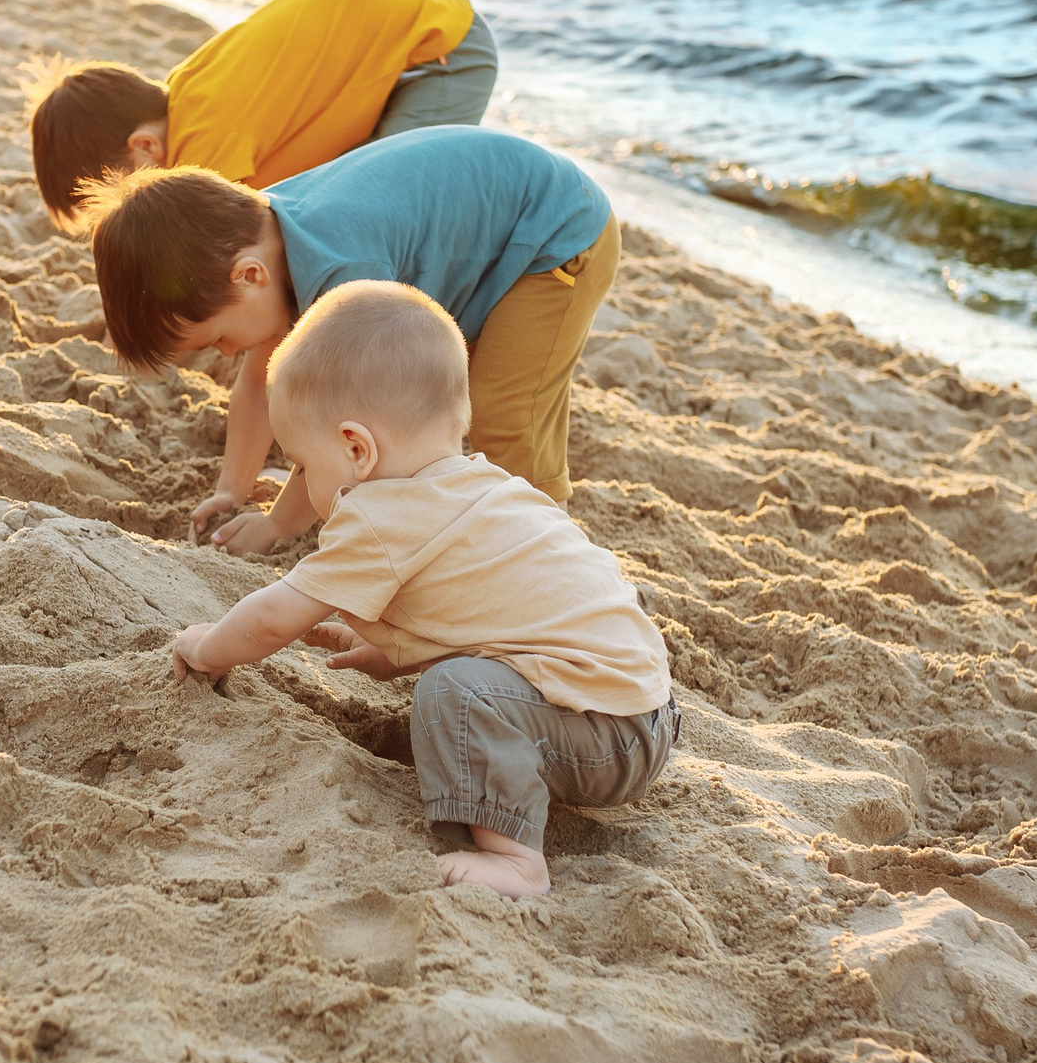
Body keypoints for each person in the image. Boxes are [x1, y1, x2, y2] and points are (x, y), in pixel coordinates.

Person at [168, 281, 676, 899]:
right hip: (646, 713)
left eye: (304, 463)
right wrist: (396, 649)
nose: (305, 482)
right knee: (457, 680)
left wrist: (207, 647)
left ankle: (517, 862)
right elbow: (503, 622)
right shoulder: (487, 487)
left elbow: (274, 619)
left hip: (604, 737)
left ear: (356, 448)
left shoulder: (379, 513)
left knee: (454, 694)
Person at [89, 126, 618, 554]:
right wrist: (233, 486)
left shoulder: (345, 272)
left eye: (219, 338)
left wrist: (279, 525)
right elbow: (256, 384)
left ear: (249, 276)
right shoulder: (261, 236)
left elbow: (348, 425)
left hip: (555, 238)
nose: (226, 353)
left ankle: (550, 546)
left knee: (506, 412)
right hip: (488, 235)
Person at [29, 0, 498, 226]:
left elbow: (234, 241)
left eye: (120, 201)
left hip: (442, 49)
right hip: (388, 40)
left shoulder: (204, 145)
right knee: (341, 191)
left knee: (388, 200)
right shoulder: (189, 92)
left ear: (145, 148)